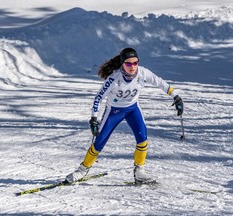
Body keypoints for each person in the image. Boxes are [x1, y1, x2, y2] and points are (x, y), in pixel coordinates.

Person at [65, 47, 183, 184]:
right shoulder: (114, 78)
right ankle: (82, 170)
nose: (132, 67)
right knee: (99, 141)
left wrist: (176, 97)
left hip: (132, 109)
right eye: (128, 63)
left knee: (142, 137)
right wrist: (94, 118)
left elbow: (160, 83)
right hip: (114, 111)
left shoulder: (143, 73)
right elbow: (98, 98)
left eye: (135, 63)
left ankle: (140, 171)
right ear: (122, 64)